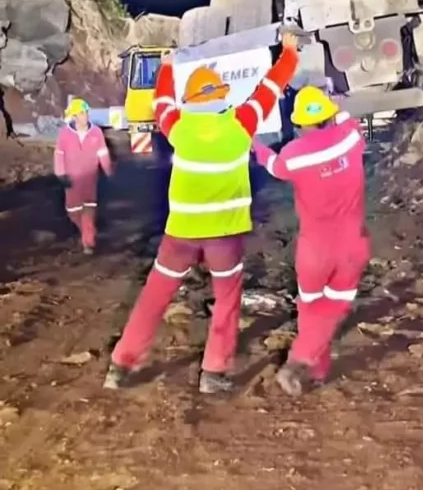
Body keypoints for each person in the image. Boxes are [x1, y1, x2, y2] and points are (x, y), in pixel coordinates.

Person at [104, 32, 300, 394]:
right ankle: (213, 373)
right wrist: (289, 50)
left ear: (190, 99)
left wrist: (165, 67)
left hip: (181, 233)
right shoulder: (241, 124)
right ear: (223, 96)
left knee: (154, 296)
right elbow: (273, 84)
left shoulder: (177, 126)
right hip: (224, 235)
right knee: (226, 300)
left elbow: (161, 98)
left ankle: (121, 365)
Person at [253, 86, 368, 396]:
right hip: (351, 246)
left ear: (300, 123)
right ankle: (309, 365)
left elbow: (272, 164)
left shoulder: (293, 155)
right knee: (333, 308)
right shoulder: (351, 138)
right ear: (329, 117)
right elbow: (347, 119)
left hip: (315, 251)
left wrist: (254, 144)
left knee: (311, 306)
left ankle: (308, 366)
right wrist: (334, 102)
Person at [53, 98, 113, 254]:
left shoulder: (96, 132)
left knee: (88, 212)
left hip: (90, 179)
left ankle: (88, 242)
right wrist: (60, 174)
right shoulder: (65, 134)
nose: (85, 116)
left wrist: (108, 171)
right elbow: (59, 154)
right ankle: (86, 231)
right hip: (72, 180)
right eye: (81, 113)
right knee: (73, 212)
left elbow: (103, 153)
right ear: (74, 117)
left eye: (86, 112)